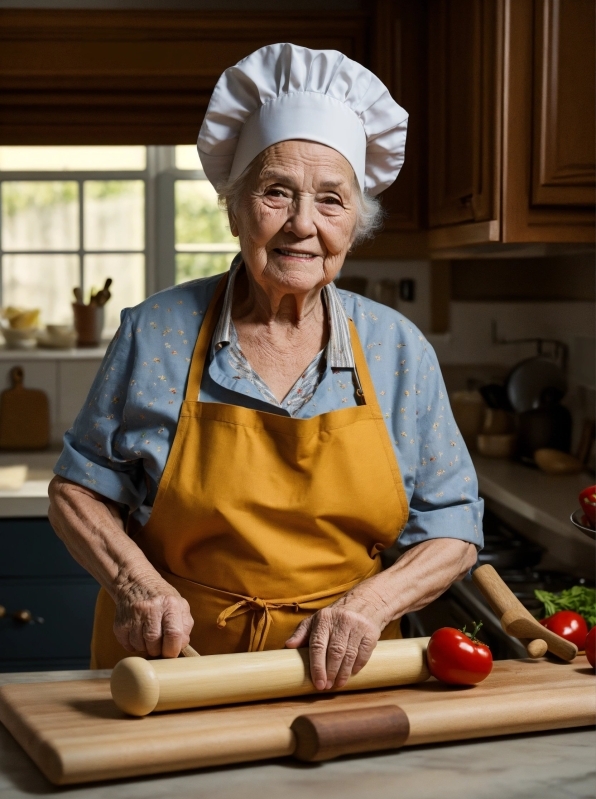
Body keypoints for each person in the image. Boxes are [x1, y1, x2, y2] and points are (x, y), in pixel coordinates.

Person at [49, 43, 483, 691]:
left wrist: (369, 606)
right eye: (276, 192)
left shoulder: (398, 349)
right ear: (234, 207)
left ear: (356, 225)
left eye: (331, 201)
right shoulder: (155, 332)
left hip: (346, 670)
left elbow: (452, 527)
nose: (301, 225)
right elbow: (76, 490)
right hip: (177, 669)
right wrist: (135, 583)